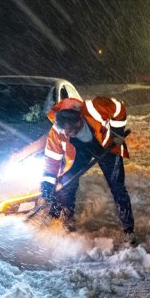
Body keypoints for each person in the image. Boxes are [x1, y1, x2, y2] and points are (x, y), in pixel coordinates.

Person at [41, 96, 135, 245]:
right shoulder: (57, 131)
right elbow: (52, 159)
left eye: (69, 132)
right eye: (63, 132)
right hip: (79, 151)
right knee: (67, 184)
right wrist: (47, 185)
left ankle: (128, 230)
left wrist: (117, 132)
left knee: (117, 187)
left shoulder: (95, 108)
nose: (65, 135)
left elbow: (119, 107)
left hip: (106, 145)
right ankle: (68, 224)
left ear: (78, 123)